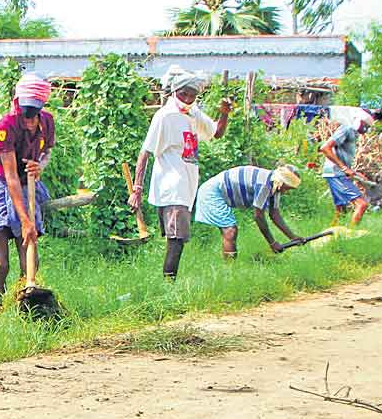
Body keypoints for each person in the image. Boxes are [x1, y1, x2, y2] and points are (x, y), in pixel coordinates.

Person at [129, 65, 233, 279]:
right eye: (183, 94)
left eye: (192, 95)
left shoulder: (193, 113)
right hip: (171, 186)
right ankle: (168, 284)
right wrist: (137, 189)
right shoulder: (165, 116)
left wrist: (224, 114)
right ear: (174, 91)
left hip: (187, 187)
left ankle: (168, 281)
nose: (186, 98)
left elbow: (217, 133)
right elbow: (145, 152)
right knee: (177, 238)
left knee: (175, 238)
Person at [0, 73, 55, 307]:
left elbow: (47, 154)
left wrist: (39, 166)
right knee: (2, 263)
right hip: (3, 184)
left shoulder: (47, 122)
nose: (28, 116)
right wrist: (25, 220)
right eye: (25, 109)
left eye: (33, 111)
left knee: (29, 257)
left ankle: (25, 309)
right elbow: (11, 176)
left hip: (28, 185)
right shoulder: (5, 126)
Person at [194, 165, 306, 258]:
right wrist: (272, 243)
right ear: (281, 182)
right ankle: (229, 271)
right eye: (286, 188)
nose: (286, 192)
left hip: (218, 192)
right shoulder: (265, 185)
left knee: (230, 231)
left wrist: (293, 237)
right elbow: (258, 217)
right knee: (230, 231)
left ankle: (230, 268)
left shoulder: (274, 186)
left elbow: (274, 214)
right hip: (212, 192)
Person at [319, 117, 374, 227]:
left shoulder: (353, 133)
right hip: (336, 173)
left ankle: (332, 236)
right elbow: (325, 148)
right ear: (360, 122)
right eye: (366, 125)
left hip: (337, 172)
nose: (366, 129)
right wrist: (344, 168)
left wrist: (352, 172)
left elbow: (342, 157)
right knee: (361, 204)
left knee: (341, 211)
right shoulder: (347, 129)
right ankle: (351, 234)